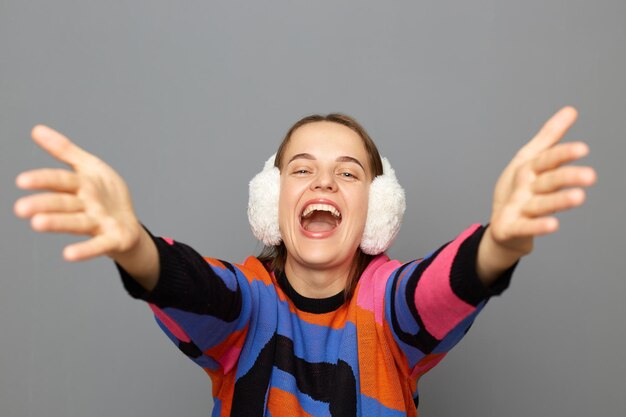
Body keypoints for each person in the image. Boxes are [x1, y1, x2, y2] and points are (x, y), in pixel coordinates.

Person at [14, 107, 596, 416]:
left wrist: (500, 244)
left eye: (348, 172)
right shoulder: (247, 302)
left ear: (378, 208)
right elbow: (193, 287)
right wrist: (132, 246)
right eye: (301, 169)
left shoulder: (387, 307)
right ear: (273, 202)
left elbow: (434, 288)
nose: (324, 180)